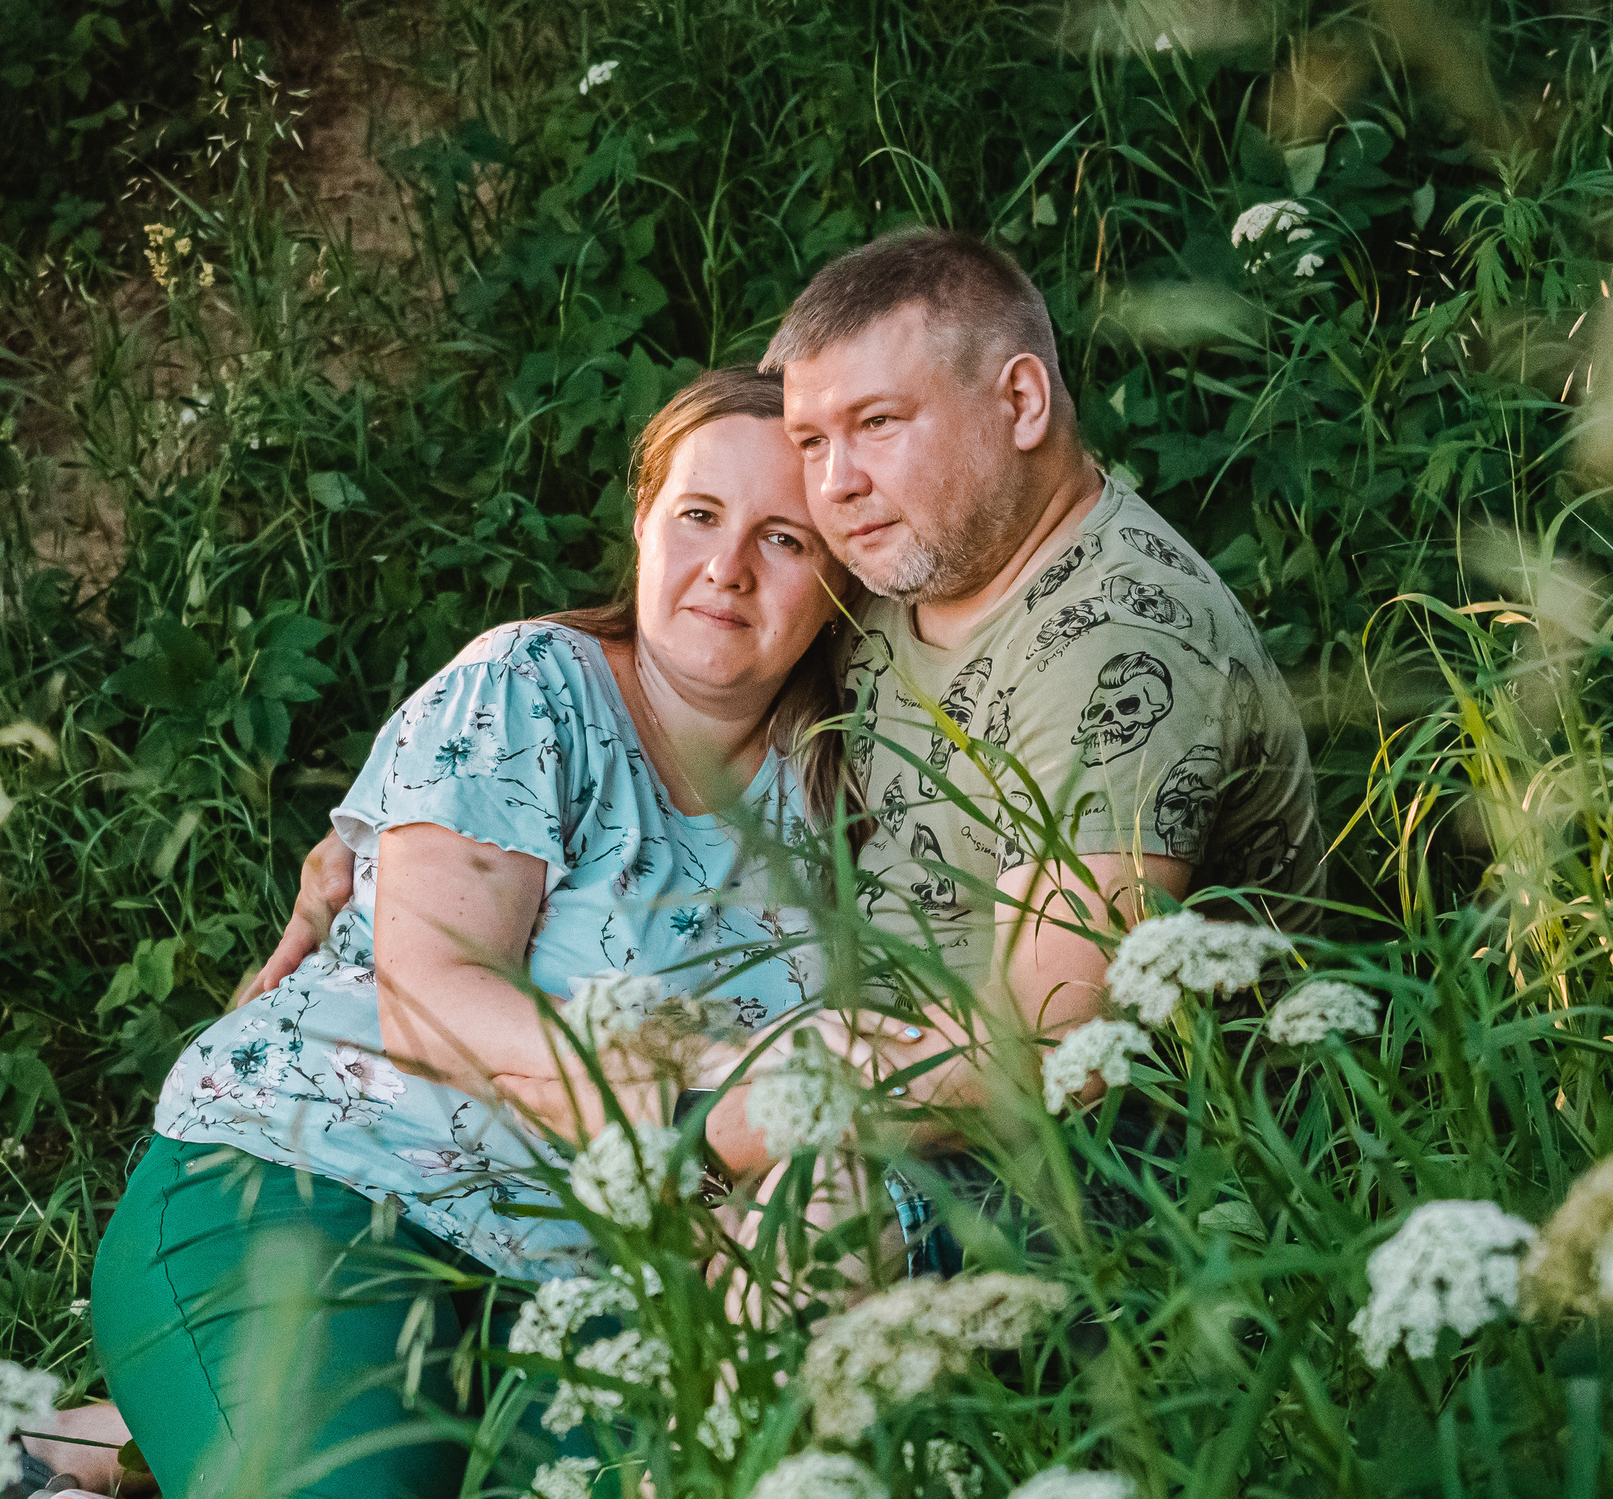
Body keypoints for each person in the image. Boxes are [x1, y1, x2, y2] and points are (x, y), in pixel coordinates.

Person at [0, 368, 853, 1499]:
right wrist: (694, 1122)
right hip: (320, 1178)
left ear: (838, 576)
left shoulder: (831, 794)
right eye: (698, 515)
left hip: (563, 1292)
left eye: (782, 538)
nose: (727, 568)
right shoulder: (535, 685)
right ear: (641, 521)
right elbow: (437, 993)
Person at [251, 230, 1319, 1117]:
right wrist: (397, 828)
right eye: (814, 441)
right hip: (821, 1089)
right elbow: (688, 629)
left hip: (1051, 1154)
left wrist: (726, 1129)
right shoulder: (900, 563)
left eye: (878, 424)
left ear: (1023, 401)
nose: (837, 485)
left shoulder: (1119, 649)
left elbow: (1050, 1059)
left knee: (798, 1223)